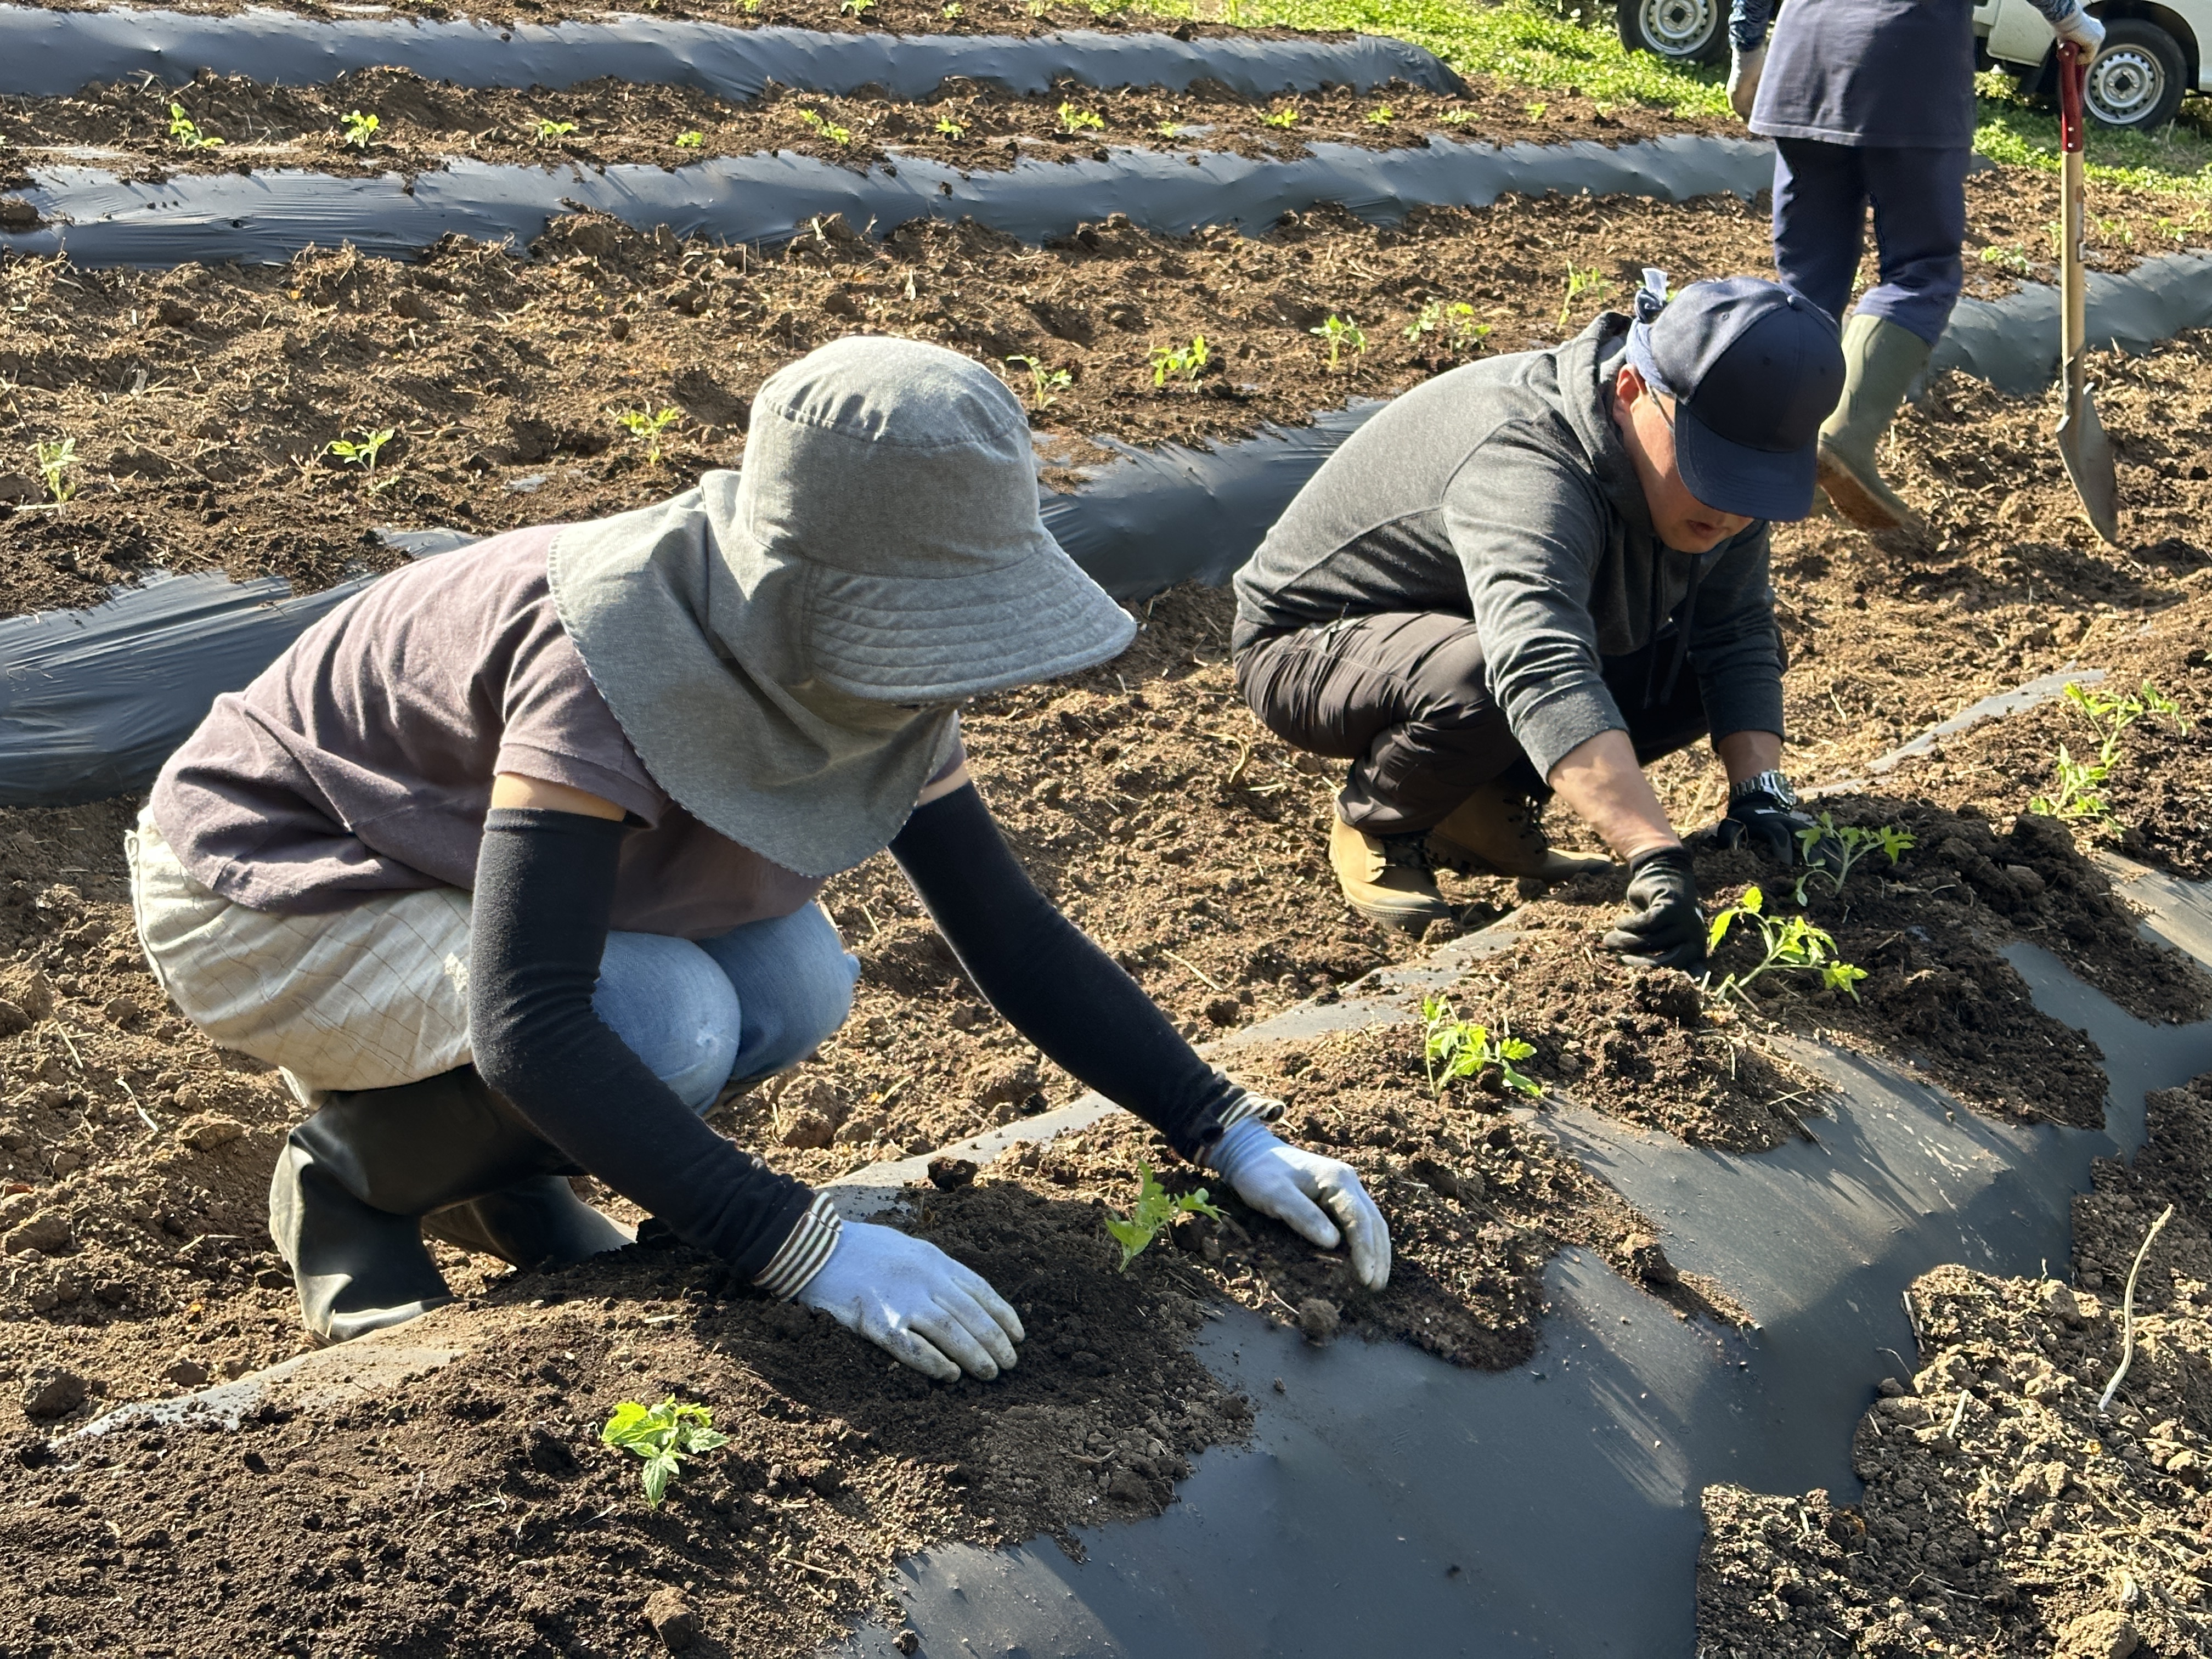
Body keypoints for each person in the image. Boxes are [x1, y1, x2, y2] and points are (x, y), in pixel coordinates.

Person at [126, 337, 1390, 1380]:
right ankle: (348, 1180)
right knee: (665, 1020)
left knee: (795, 980)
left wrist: (1229, 1132)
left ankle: (496, 1186)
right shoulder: (611, 651)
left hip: (455, 851)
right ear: (799, 585)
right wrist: (798, 1244)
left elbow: (1005, 930)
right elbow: (525, 1018)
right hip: (276, 881)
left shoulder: (878, 654)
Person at [1233, 275, 1846, 960]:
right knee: (1482, 675)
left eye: (1753, 483)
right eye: (1712, 470)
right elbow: (1536, 656)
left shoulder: (1724, 495)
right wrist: (1654, 854)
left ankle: (1476, 804)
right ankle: (1383, 819)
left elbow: (1735, 633)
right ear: (1633, 393)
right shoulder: (1528, 457)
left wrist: (1761, 796)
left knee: (1689, 673)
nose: (1733, 510)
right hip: (1315, 645)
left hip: (1467, 629)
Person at [1727, 0, 2106, 531]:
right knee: (1922, 269)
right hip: (1907, 62)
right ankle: (1844, 437)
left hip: (1804, 58)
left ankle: (1777, 459)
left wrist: (1747, 48)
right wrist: (2069, 19)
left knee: (1808, 278)